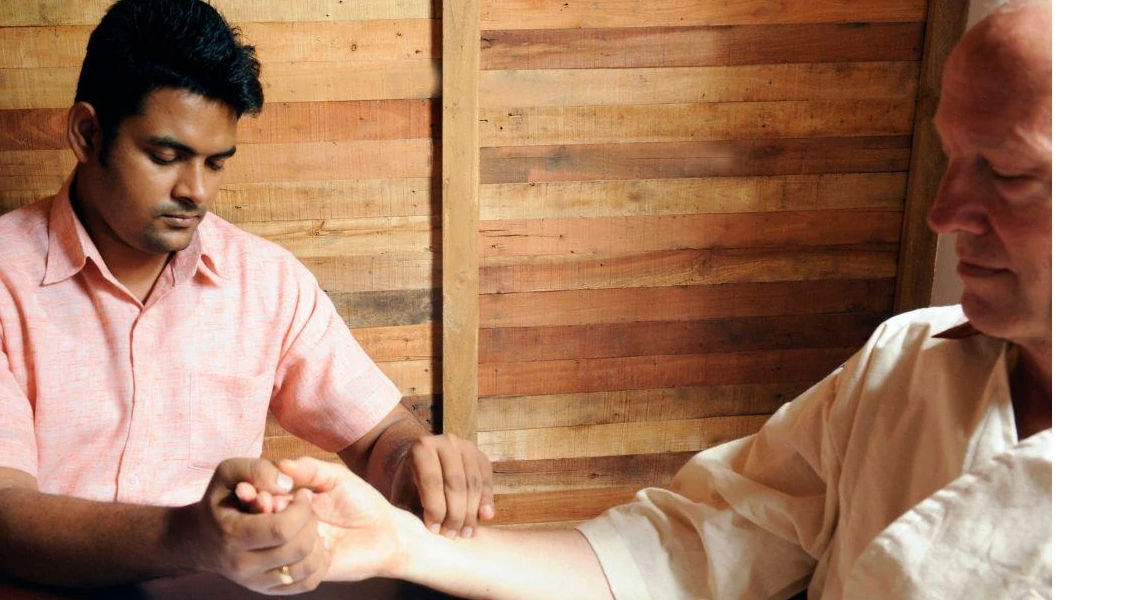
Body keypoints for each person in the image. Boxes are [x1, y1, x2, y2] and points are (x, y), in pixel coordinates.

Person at [267, 1, 1053, 598]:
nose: (945, 214)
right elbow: (677, 549)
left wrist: (406, 451)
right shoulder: (902, 367)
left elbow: (381, 430)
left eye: (1009, 175)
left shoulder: (266, 285)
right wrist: (404, 545)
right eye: (950, 157)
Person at [0, 0, 493, 593]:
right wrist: (188, 536)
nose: (196, 191)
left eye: (216, 163)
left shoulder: (268, 282)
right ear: (86, 133)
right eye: (166, 156)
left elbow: (377, 436)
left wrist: (418, 459)